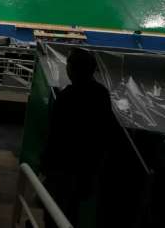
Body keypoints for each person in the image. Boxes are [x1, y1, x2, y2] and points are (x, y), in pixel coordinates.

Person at [41, 48, 116, 227]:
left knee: (55, 206)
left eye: (69, 65)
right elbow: (105, 130)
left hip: (64, 165)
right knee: (74, 207)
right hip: (89, 164)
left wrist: (45, 162)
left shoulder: (66, 97)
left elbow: (55, 134)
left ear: (73, 70)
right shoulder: (101, 94)